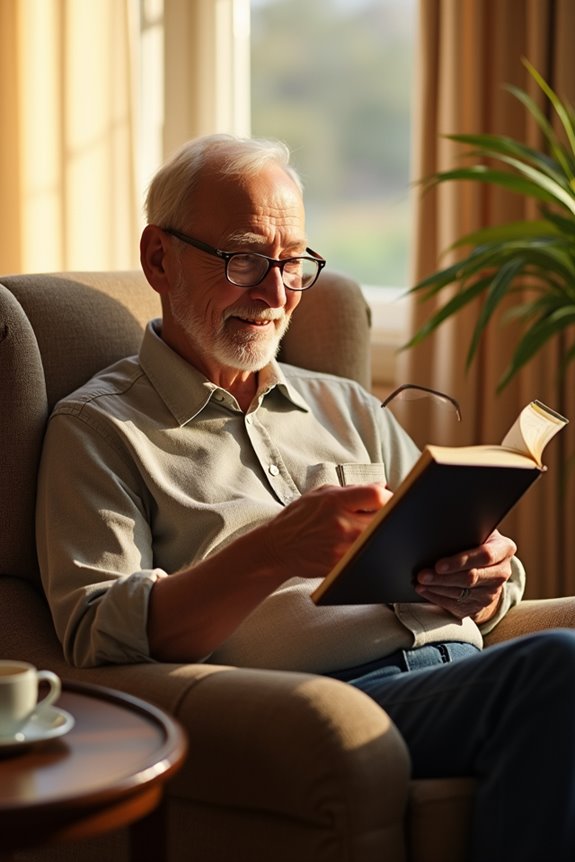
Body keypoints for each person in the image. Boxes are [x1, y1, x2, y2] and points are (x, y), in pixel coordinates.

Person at [36, 133, 575, 861]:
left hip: (461, 671)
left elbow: (486, 579)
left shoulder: (347, 405)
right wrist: (272, 551)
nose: (274, 292)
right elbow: (98, 632)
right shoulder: (99, 429)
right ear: (159, 258)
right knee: (554, 671)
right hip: (323, 702)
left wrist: (486, 578)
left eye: (293, 263)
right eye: (244, 258)